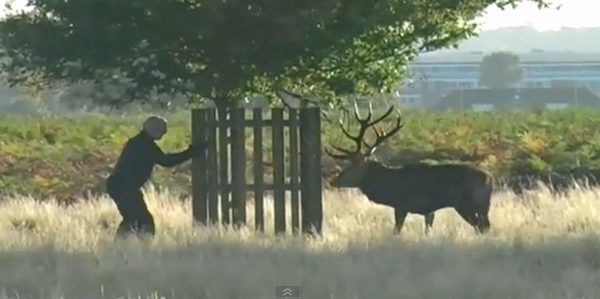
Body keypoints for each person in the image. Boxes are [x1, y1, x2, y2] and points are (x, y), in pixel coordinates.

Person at [105, 115, 204, 240]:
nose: (165, 132)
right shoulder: (143, 144)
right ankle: (138, 245)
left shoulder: (141, 141)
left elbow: (165, 160)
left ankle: (122, 246)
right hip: (123, 187)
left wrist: (189, 153)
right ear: (153, 129)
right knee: (141, 220)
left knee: (134, 219)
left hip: (123, 186)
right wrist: (191, 152)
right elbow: (166, 161)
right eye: (163, 129)